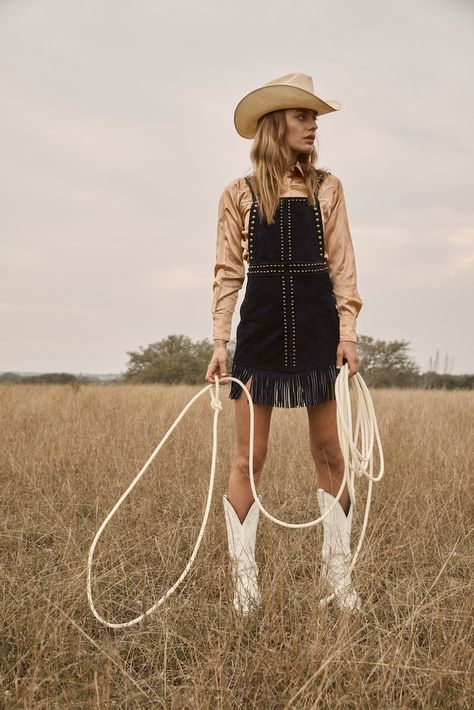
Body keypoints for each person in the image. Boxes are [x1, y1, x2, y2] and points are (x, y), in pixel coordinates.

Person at [205, 72, 363, 615]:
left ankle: (338, 580)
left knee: (329, 452)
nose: (314, 126)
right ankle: (244, 589)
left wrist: (348, 335)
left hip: (319, 334)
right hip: (261, 334)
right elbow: (228, 273)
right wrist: (220, 341)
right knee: (249, 457)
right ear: (277, 125)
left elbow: (343, 267)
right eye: (303, 116)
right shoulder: (238, 194)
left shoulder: (328, 189)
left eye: (315, 117)